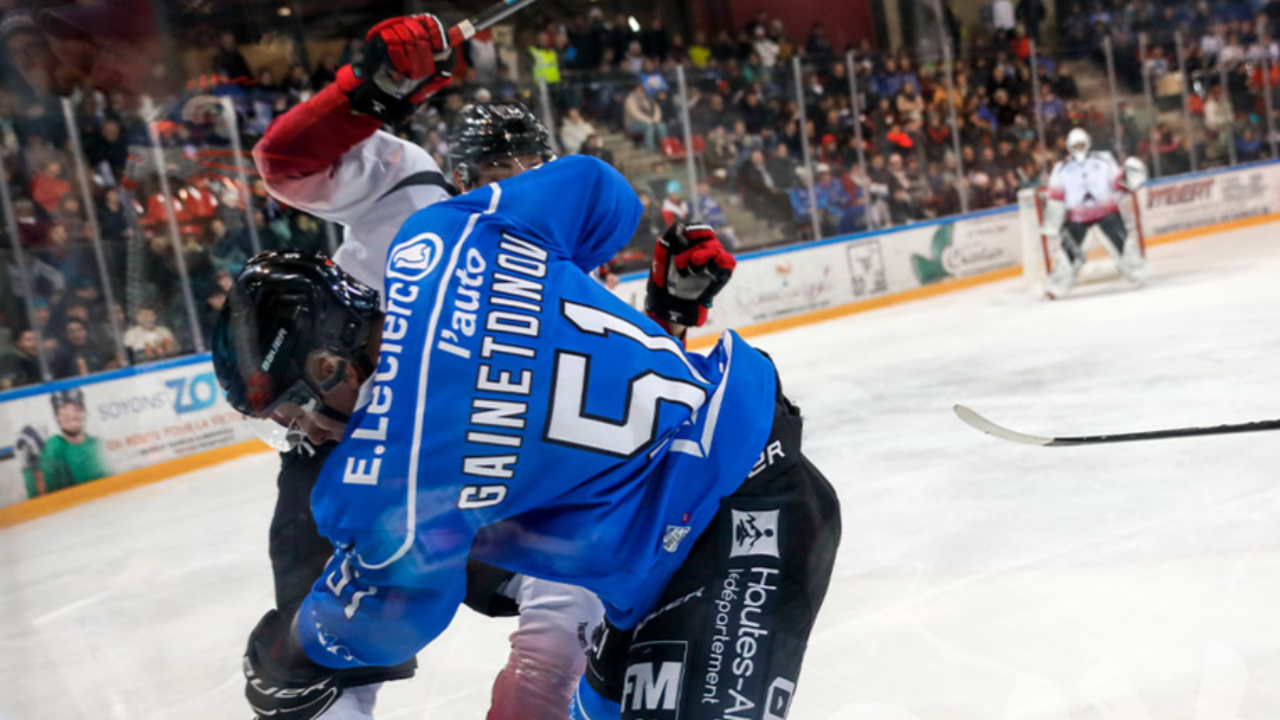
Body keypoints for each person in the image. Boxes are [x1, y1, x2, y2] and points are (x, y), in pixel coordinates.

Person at [215, 122, 840, 720]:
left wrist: (291, 650)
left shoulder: (385, 470)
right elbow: (604, 194)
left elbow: (392, 618)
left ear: (329, 366)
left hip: (731, 525)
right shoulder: (443, 237)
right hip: (688, 513)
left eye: (294, 413)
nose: (306, 435)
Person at [247, 15, 605, 719]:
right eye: (497, 176)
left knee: (584, 576)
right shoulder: (412, 189)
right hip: (341, 451)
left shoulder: (567, 262)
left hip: (469, 463)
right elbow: (285, 162)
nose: (517, 190)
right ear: (462, 177)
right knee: (320, 665)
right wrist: (369, 90)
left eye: (533, 174)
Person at [1041, 128, 1149, 298]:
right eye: (1075, 145)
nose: (1079, 148)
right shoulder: (1061, 169)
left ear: (1088, 143)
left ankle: (1138, 273)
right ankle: (1057, 287)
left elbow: (1118, 182)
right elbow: (1056, 197)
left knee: (1123, 243)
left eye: (1081, 144)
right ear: (1069, 147)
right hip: (1076, 217)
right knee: (1068, 253)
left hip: (1106, 212)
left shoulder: (1104, 159)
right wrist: (1052, 224)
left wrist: (1130, 178)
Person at [37, 388, 110, 496]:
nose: (71, 415)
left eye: (77, 409)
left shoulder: (96, 444)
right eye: (64, 412)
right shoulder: (54, 447)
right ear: (57, 417)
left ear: (84, 412)